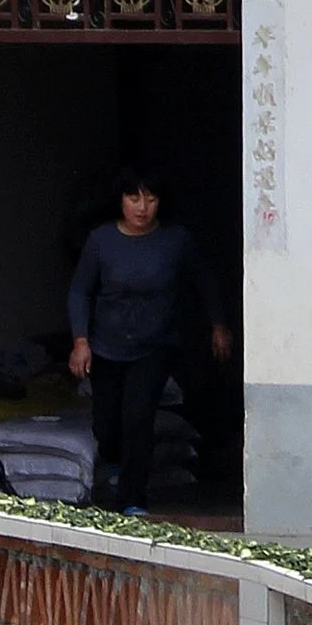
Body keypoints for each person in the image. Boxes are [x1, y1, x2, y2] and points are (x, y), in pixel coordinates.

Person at [67, 164, 231, 513]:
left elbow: (204, 281)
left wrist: (218, 324)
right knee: (107, 424)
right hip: (107, 345)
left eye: (151, 198)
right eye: (133, 197)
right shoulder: (101, 241)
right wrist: (80, 341)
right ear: (120, 200)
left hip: (155, 345)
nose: (142, 207)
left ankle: (132, 499)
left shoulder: (176, 241)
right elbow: (80, 291)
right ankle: (113, 463)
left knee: (139, 418)